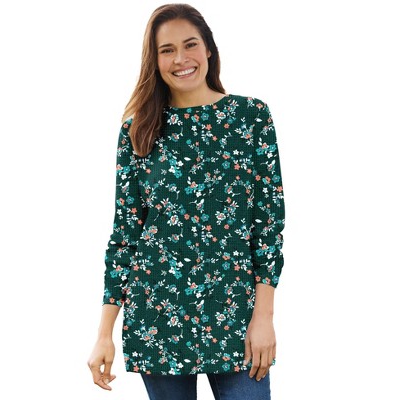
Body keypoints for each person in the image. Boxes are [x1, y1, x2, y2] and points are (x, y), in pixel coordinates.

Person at [87, 3, 285, 399]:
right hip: (156, 318)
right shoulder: (138, 130)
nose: (181, 58)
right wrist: (104, 333)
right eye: (167, 50)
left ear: (208, 48)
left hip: (235, 317)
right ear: (155, 59)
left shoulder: (250, 117)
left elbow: (268, 225)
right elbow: (125, 236)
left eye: (190, 44)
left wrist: (263, 317)